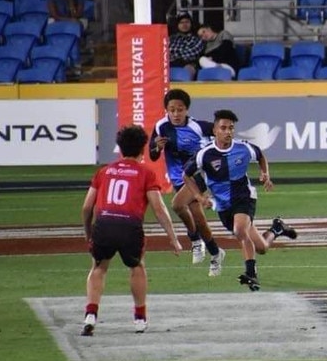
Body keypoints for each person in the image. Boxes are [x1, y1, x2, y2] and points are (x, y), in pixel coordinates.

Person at [80, 125, 183, 336]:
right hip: (129, 226)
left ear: (119, 148)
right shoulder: (145, 173)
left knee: (98, 267)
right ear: (142, 149)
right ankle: (139, 318)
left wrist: (89, 233)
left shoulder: (104, 171)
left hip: (105, 223)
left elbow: (87, 207)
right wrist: (173, 238)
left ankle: (91, 314)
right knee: (137, 266)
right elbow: (158, 208)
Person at [183, 109, 298, 291]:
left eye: (231, 128)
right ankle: (277, 228)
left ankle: (251, 274)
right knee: (261, 247)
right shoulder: (204, 154)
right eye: (223, 128)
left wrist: (265, 173)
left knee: (239, 230)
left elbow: (260, 156)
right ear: (215, 130)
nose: (228, 131)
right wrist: (198, 196)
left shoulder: (243, 148)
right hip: (222, 204)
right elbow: (186, 175)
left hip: (243, 196)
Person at [148, 88, 227, 276]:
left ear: (187, 110)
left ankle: (194, 240)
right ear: (166, 110)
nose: (176, 114)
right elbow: (152, 155)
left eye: (180, 109)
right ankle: (216, 253)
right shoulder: (161, 127)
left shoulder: (198, 127)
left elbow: (222, 131)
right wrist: (157, 148)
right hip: (177, 177)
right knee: (198, 218)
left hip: (198, 174)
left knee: (176, 204)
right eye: (172, 109)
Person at [169, 12, 204, 79]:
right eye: (181, 22)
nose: (184, 24)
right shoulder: (171, 39)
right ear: (177, 25)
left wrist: (172, 55)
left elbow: (191, 54)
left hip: (188, 64)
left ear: (191, 24)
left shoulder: (196, 39)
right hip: (170, 64)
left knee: (187, 71)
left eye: (187, 22)